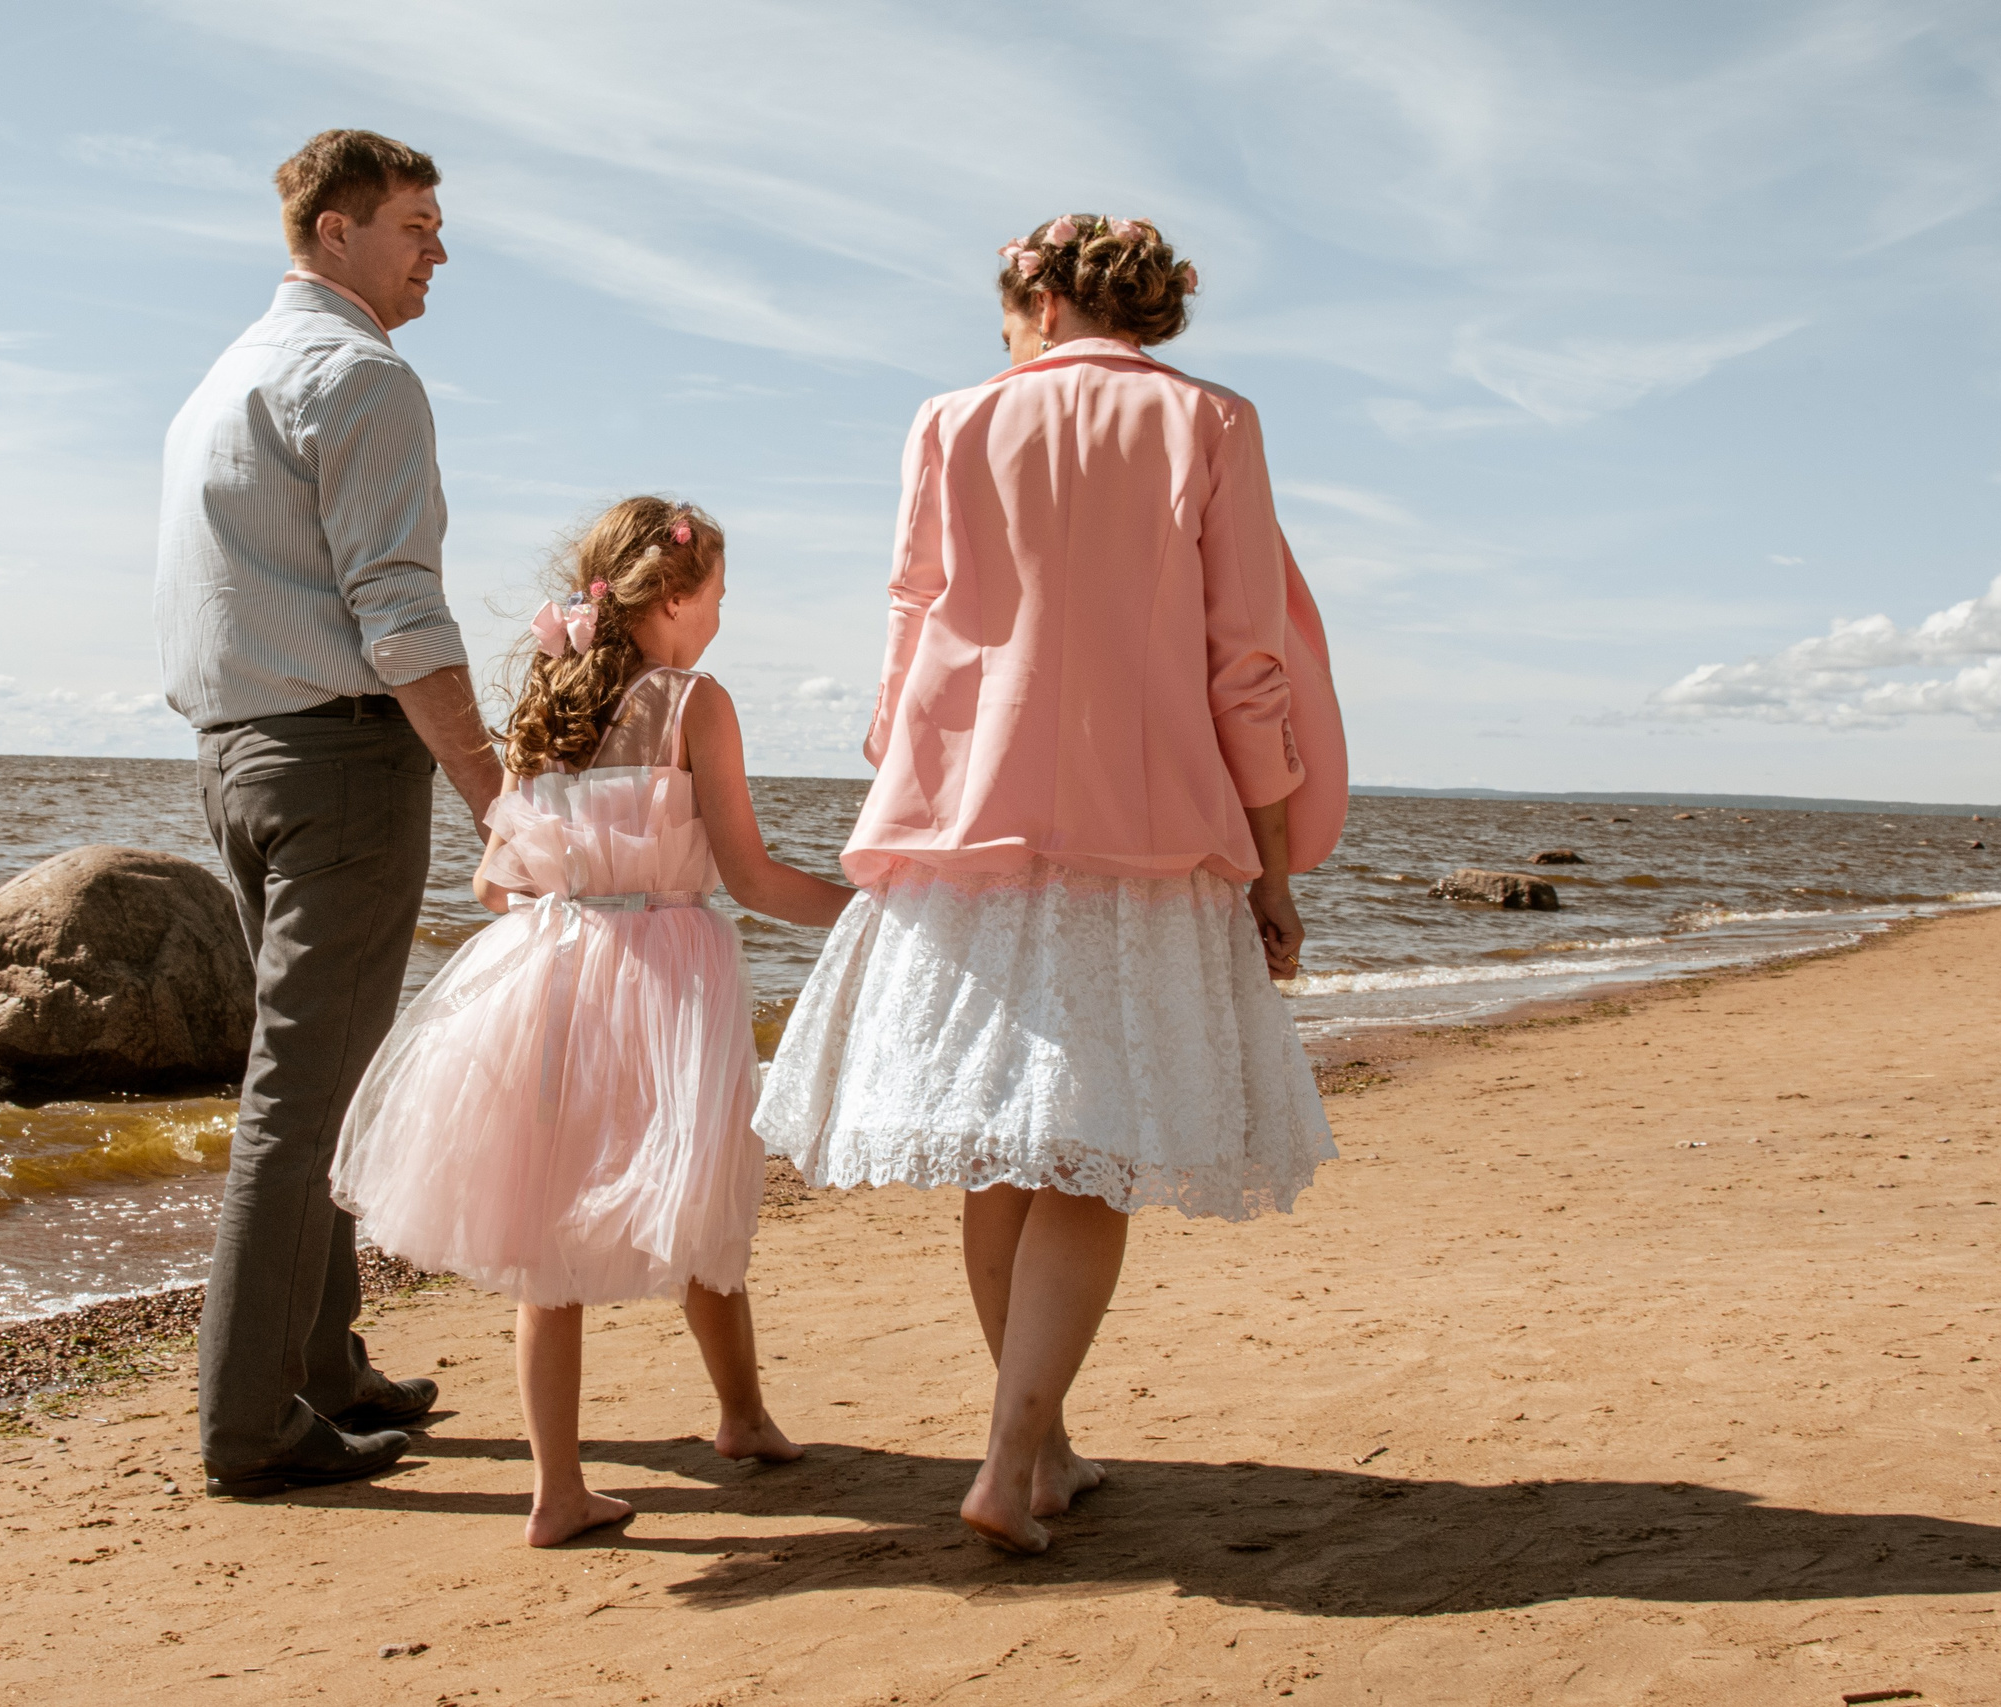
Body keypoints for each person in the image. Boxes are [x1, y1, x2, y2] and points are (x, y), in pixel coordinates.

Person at [756, 214, 1350, 1555]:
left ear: (1035, 292)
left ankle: (1045, 1446)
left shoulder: (949, 422)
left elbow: (913, 633)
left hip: (968, 822)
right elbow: (1245, 656)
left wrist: (900, 796)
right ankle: (1017, 1451)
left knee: (1000, 1152)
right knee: (1088, 1155)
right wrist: (1268, 858)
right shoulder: (1214, 422)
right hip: (1148, 828)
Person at [333, 497, 855, 1546]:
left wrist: (577, 895)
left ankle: (558, 1489)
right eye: (715, 595)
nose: (719, 616)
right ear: (671, 598)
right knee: (695, 1192)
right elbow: (751, 877)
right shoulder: (692, 701)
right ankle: (741, 1414)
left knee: (545, 1231)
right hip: (667, 976)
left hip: (551, 972)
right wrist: (869, 905)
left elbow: (493, 885)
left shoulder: (547, 706)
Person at [154, 128, 504, 1499]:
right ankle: (254, 1421)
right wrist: (496, 792)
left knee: (317, 1080)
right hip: (338, 763)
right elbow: (401, 613)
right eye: (415, 224)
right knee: (299, 1102)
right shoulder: (360, 374)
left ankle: (329, 1363)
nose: (435, 251)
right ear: (336, 228)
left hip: (235, 755)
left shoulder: (222, 380)